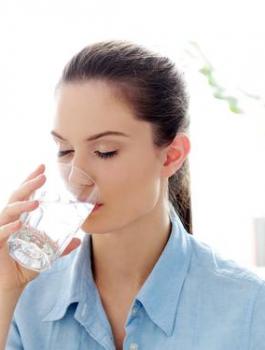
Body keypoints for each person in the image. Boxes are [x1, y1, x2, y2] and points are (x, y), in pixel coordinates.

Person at [1, 40, 264, 350]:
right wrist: (5, 292)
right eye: (65, 150)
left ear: (171, 156)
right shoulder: (25, 294)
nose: (76, 177)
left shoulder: (249, 309)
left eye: (105, 151)